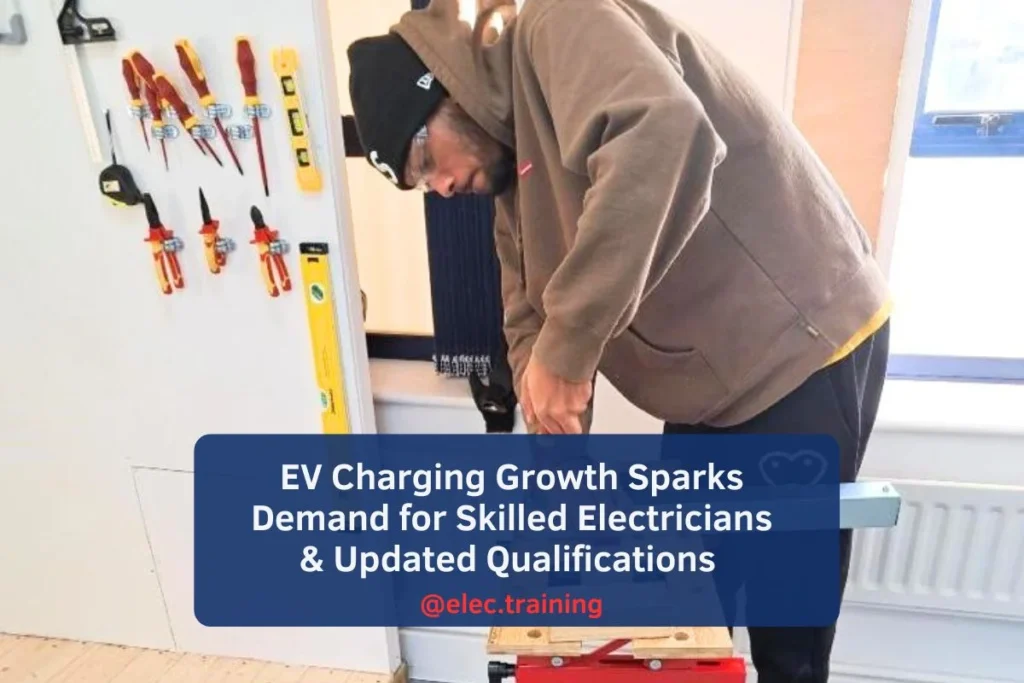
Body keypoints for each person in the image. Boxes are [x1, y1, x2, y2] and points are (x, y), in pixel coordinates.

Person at [346, 0, 891, 680]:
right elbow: (528, 321)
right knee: (694, 601)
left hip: (798, 343)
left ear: (445, 85)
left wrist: (567, 354)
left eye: (424, 159)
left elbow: (665, 132)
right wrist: (552, 446)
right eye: (420, 185)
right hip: (711, 387)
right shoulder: (514, 184)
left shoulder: (556, 23)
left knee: (787, 634)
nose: (442, 186)